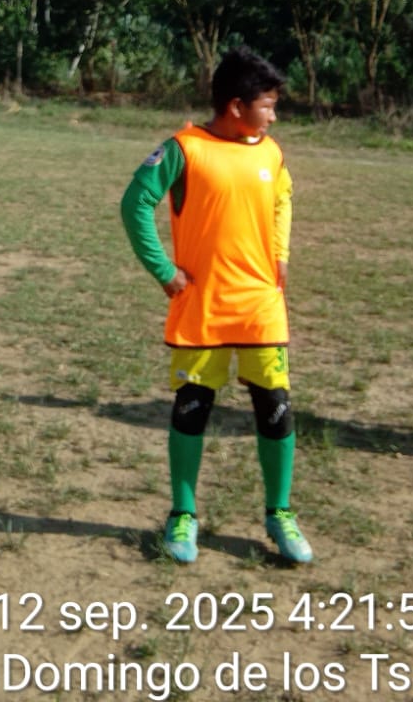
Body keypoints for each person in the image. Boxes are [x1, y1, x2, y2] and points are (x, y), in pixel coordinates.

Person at [120, 45, 313, 566]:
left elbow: (283, 198)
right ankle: (183, 515)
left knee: (275, 407)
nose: (273, 117)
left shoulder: (270, 152)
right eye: (267, 106)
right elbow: (135, 203)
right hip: (202, 304)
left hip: (259, 306)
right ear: (235, 106)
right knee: (193, 408)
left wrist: (280, 254)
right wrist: (164, 270)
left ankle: (280, 513)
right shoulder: (184, 149)